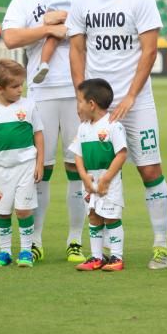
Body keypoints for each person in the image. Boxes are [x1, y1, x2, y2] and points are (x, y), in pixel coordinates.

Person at [68, 0, 167, 269]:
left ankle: (160, 244)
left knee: (150, 169)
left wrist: (130, 96)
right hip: (97, 108)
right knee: (98, 171)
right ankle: (102, 251)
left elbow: (150, 50)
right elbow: (77, 49)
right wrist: (81, 97)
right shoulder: (83, 1)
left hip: (135, 102)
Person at [1, 0, 81, 262]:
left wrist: (62, 26)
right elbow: (11, 38)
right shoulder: (23, 0)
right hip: (40, 93)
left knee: (77, 168)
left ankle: (75, 239)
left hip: (77, 90)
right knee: (40, 171)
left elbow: (84, 29)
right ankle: (34, 240)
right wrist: (51, 29)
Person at [0, 59, 44, 268]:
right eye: (14, 86)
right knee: (2, 211)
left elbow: (38, 135)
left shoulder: (29, 105)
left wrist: (39, 163)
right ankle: (4, 252)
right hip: (1, 169)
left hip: (26, 166)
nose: (19, 90)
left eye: (21, 85)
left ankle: (26, 251)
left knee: (23, 210)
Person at [70, 78, 128, 272]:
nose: (77, 106)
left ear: (91, 104)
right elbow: (77, 155)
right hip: (89, 181)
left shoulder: (113, 126)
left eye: (79, 101)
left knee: (111, 217)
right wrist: (84, 177)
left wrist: (107, 178)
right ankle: (96, 257)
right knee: (93, 216)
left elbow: (121, 154)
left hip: (108, 181)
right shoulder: (83, 128)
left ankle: (116, 257)